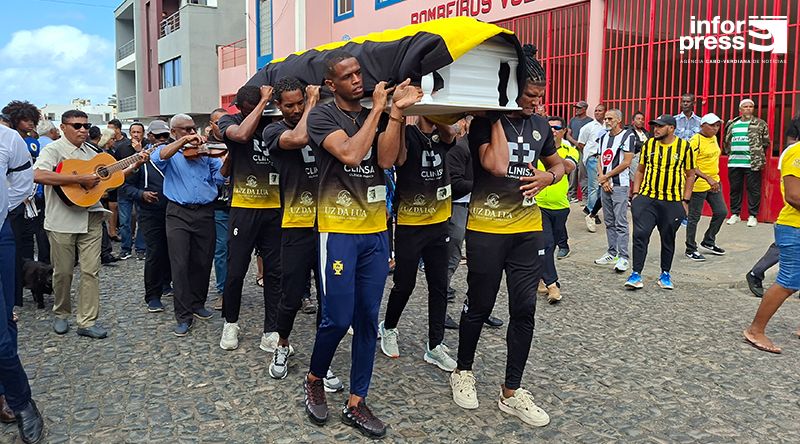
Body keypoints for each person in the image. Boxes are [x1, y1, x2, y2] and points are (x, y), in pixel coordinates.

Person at [302, 50, 420, 438]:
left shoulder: (380, 113)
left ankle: (357, 402)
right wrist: (379, 109)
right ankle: (315, 377)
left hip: (374, 231)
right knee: (336, 317)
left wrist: (397, 113)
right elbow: (352, 154)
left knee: (368, 318)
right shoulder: (322, 116)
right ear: (331, 84)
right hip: (337, 230)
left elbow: (385, 161)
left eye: (359, 73)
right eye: (347, 76)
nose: (357, 79)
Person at [450, 45, 565, 428]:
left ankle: (512, 391)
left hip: (526, 230)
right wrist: (497, 110)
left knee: (524, 311)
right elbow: (496, 165)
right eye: (530, 95)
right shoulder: (483, 123)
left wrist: (549, 175)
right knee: (479, 305)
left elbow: (559, 164)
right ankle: (463, 370)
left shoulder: (540, 125)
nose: (537, 102)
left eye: (541, 96)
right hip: (486, 229)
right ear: (511, 89)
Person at [34, 110, 141, 339]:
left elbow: (107, 180)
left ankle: (87, 321)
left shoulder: (92, 151)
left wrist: (134, 164)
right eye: (77, 125)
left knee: (90, 271)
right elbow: (39, 175)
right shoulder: (52, 150)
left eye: (85, 125)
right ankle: (61, 313)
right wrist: (77, 179)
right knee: (63, 272)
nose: (83, 129)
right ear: (63, 127)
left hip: (92, 217)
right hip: (62, 219)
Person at [378, 114, 458, 371]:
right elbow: (398, 159)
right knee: (405, 283)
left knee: (439, 284)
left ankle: (435, 345)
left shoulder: (443, 131)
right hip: (411, 223)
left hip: (439, 221)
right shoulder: (408, 132)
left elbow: (450, 135)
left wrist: (437, 112)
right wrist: (403, 113)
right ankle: (389, 327)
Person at [261, 78, 322, 380]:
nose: (297, 109)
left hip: (330, 223)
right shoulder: (273, 131)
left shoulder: (323, 121)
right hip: (296, 223)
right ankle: (282, 344)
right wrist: (313, 101)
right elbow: (298, 139)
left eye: (301, 102)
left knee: (330, 296)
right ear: (278, 106)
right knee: (291, 295)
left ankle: (322, 360)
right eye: (290, 105)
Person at [216, 85, 285, 353]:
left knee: (275, 273)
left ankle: (271, 330)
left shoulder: (274, 123)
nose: (246, 112)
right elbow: (242, 135)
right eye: (245, 109)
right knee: (236, 271)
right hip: (243, 207)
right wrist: (263, 101)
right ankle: (230, 323)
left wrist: (271, 106)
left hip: (275, 209)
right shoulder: (230, 121)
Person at [151, 114, 223, 336]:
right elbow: (158, 157)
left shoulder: (204, 152)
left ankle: (197, 303)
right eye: (185, 130)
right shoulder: (168, 151)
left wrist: (225, 158)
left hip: (204, 212)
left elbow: (220, 178)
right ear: (174, 132)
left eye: (193, 129)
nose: (192, 133)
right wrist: (182, 142)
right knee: (180, 264)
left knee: (202, 261)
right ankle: (183, 315)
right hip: (178, 213)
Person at [0, 123, 45, 444]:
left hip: (1, 233)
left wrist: (2, 212)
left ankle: (19, 401)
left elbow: (21, 182)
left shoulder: (6, 138)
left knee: (3, 330)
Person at [625, 114, 696, 290]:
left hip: (672, 202)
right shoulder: (649, 144)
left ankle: (665, 274)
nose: (655, 129)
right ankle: (636, 274)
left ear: (671, 128)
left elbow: (690, 174)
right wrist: (636, 194)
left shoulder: (684, 147)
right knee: (640, 235)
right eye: (655, 126)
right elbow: (640, 170)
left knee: (668, 238)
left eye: (660, 126)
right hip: (647, 199)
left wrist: (685, 200)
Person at [742, 140, 800, 353]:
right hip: (794, 227)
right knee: (788, 282)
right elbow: (794, 195)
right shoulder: (796, 153)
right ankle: (755, 330)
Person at [120, 120, 172, 313]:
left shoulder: (175, 154)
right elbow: (124, 185)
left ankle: (167, 283)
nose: (161, 140)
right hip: (150, 211)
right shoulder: (140, 158)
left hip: (173, 210)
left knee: (171, 250)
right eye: (157, 136)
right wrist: (141, 194)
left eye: (165, 136)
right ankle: (152, 295)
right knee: (155, 251)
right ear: (149, 136)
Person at [536, 116, 579, 303]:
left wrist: (549, 152)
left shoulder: (571, 149)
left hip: (560, 206)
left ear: (564, 131)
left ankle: (540, 280)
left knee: (550, 246)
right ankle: (553, 285)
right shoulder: (535, 147)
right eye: (549, 128)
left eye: (556, 128)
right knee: (545, 243)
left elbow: (568, 167)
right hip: (538, 204)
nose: (552, 131)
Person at [3, 101, 41, 308]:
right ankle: (14, 297)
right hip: (12, 204)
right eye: (26, 120)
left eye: (32, 120)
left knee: (26, 249)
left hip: (27, 200)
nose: (30, 124)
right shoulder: (10, 140)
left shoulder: (28, 141)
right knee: (14, 253)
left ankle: (25, 292)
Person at [593, 109, 635, 273]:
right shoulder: (603, 137)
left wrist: (606, 177)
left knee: (621, 221)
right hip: (606, 184)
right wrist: (602, 178)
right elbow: (599, 158)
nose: (607, 121)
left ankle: (623, 256)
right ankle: (612, 252)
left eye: (610, 118)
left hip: (619, 184)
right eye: (605, 119)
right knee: (609, 220)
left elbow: (626, 162)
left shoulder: (627, 136)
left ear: (618, 120)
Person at [685, 113, 728, 261]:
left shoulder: (714, 139)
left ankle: (708, 240)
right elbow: (690, 165)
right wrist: (707, 178)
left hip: (714, 182)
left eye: (717, 125)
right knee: (694, 217)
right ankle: (690, 248)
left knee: (721, 212)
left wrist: (713, 179)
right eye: (712, 125)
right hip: (699, 183)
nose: (715, 128)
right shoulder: (695, 141)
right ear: (702, 125)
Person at [725, 98, 769, 228]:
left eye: (751, 107)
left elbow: (765, 142)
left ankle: (752, 216)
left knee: (753, 190)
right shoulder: (732, 124)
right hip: (734, 162)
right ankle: (735, 214)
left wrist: (757, 155)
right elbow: (726, 141)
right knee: (735, 189)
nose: (748, 109)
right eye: (746, 107)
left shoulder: (760, 123)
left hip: (752, 163)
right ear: (740, 109)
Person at [114, 122, 147, 260]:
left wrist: (140, 151)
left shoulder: (148, 146)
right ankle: (125, 248)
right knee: (124, 221)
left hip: (141, 187)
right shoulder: (121, 147)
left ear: (143, 134)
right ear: (130, 133)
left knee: (142, 220)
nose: (136, 135)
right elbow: (115, 167)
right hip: (125, 187)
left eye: (139, 132)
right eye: (133, 132)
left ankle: (140, 248)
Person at [207, 108, 229, 308]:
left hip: (241, 202)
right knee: (221, 250)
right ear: (211, 124)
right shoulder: (204, 147)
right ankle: (223, 291)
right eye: (217, 122)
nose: (221, 126)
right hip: (218, 205)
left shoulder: (238, 138)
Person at [577, 104, 607, 231]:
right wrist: (590, 155)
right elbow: (580, 143)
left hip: (604, 160)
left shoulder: (608, 126)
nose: (597, 113)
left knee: (601, 186)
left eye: (600, 111)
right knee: (594, 186)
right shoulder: (588, 127)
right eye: (596, 110)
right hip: (593, 159)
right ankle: (591, 212)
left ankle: (590, 207)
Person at [566, 100, 592, 202]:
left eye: (578, 108)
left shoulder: (590, 121)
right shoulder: (573, 120)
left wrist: (582, 145)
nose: (576, 110)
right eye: (576, 108)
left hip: (584, 150)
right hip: (574, 148)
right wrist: (576, 143)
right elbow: (568, 134)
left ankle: (585, 196)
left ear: (584, 109)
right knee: (572, 171)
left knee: (582, 172)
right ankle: (572, 195)